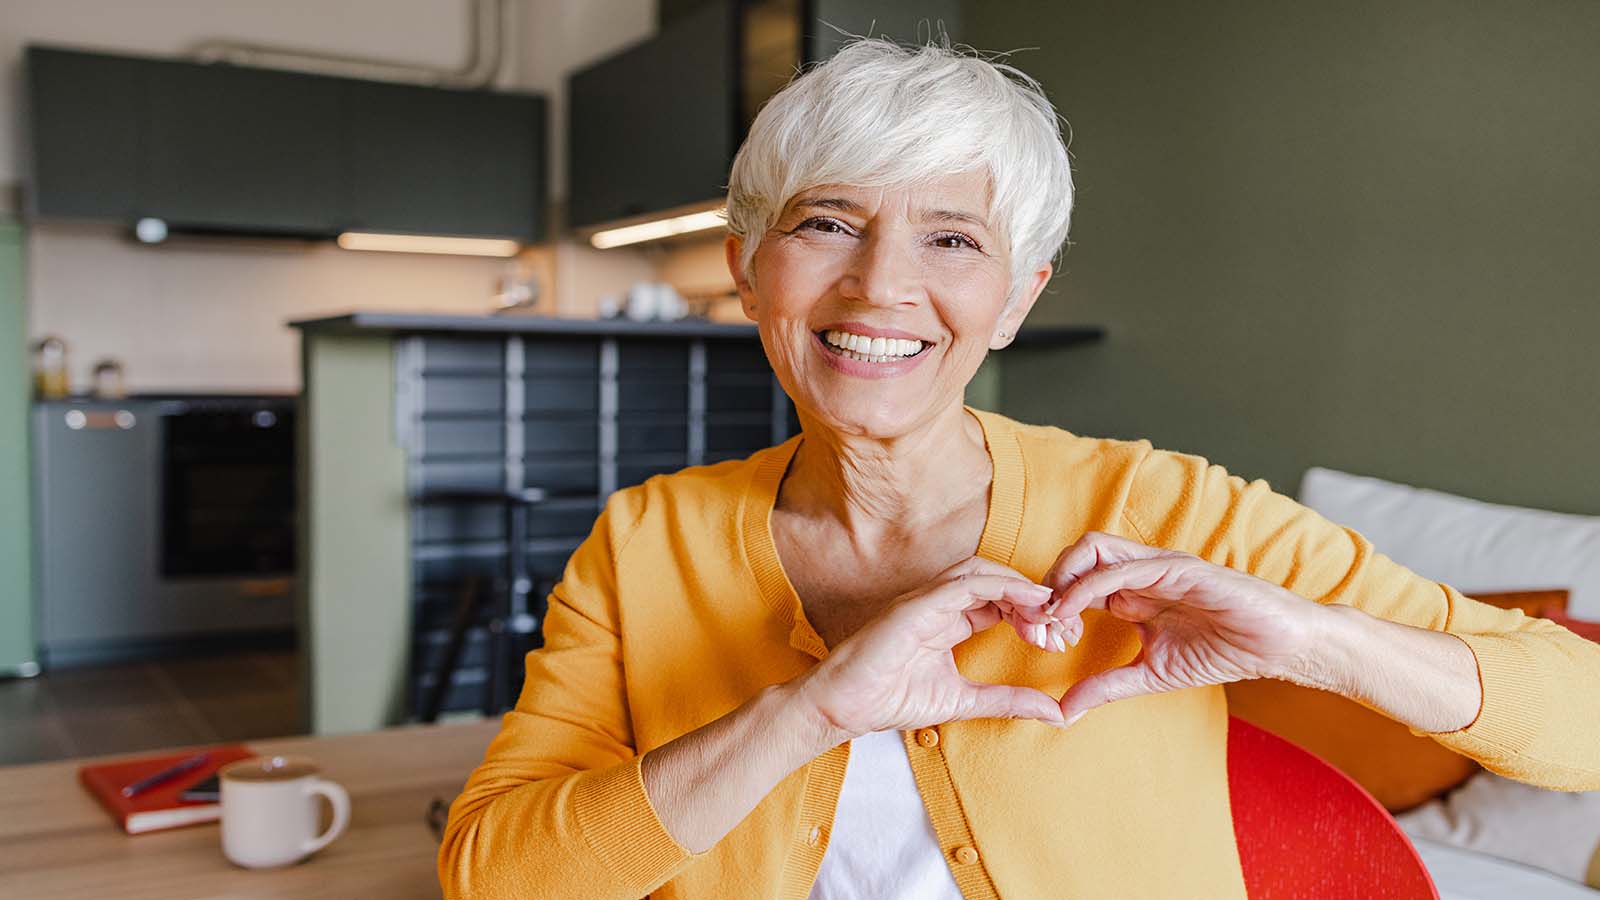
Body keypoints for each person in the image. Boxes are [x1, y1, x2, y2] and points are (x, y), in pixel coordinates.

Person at [439, 39, 1600, 899]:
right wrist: (809, 712)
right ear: (748, 273)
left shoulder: (1164, 508)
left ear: (1013, 300)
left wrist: (1310, 639)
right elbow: (495, 878)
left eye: (951, 238)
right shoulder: (649, 541)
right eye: (826, 224)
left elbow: (1583, 725)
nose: (880, 286)